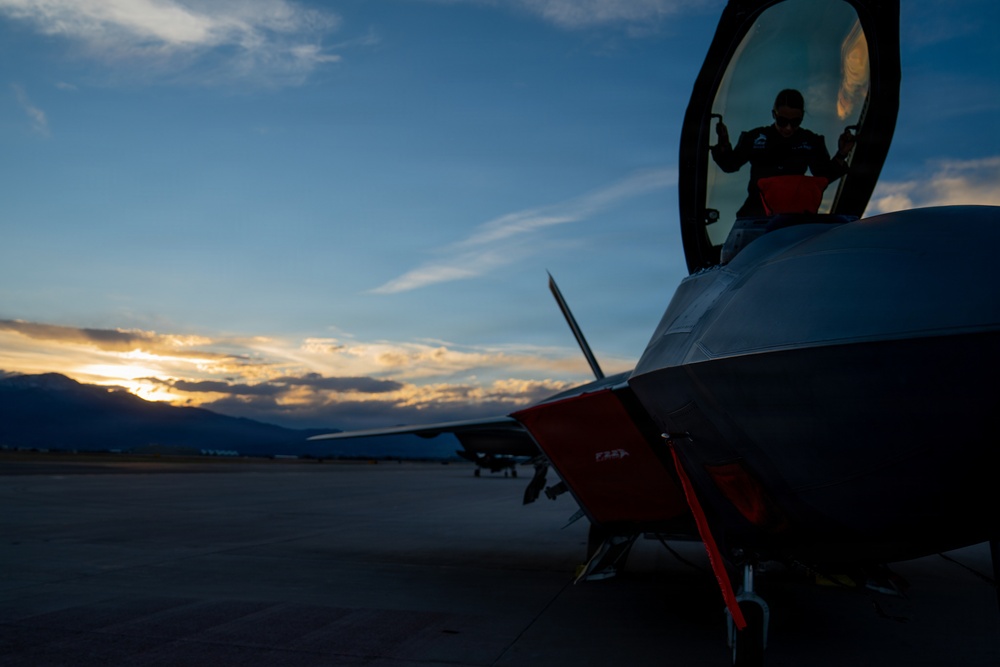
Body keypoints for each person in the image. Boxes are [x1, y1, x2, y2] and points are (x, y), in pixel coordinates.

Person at [711, 89, 856, 217]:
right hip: (756, 215)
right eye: (782, 121)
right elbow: (730, 165)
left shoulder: (810, 141)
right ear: (774, 115)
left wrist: (841, 154)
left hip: (794, 218)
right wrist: (724, 143)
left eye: (795, 122)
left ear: (802, 118)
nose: (788, 128)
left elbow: (823, 176)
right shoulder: (756, 138)